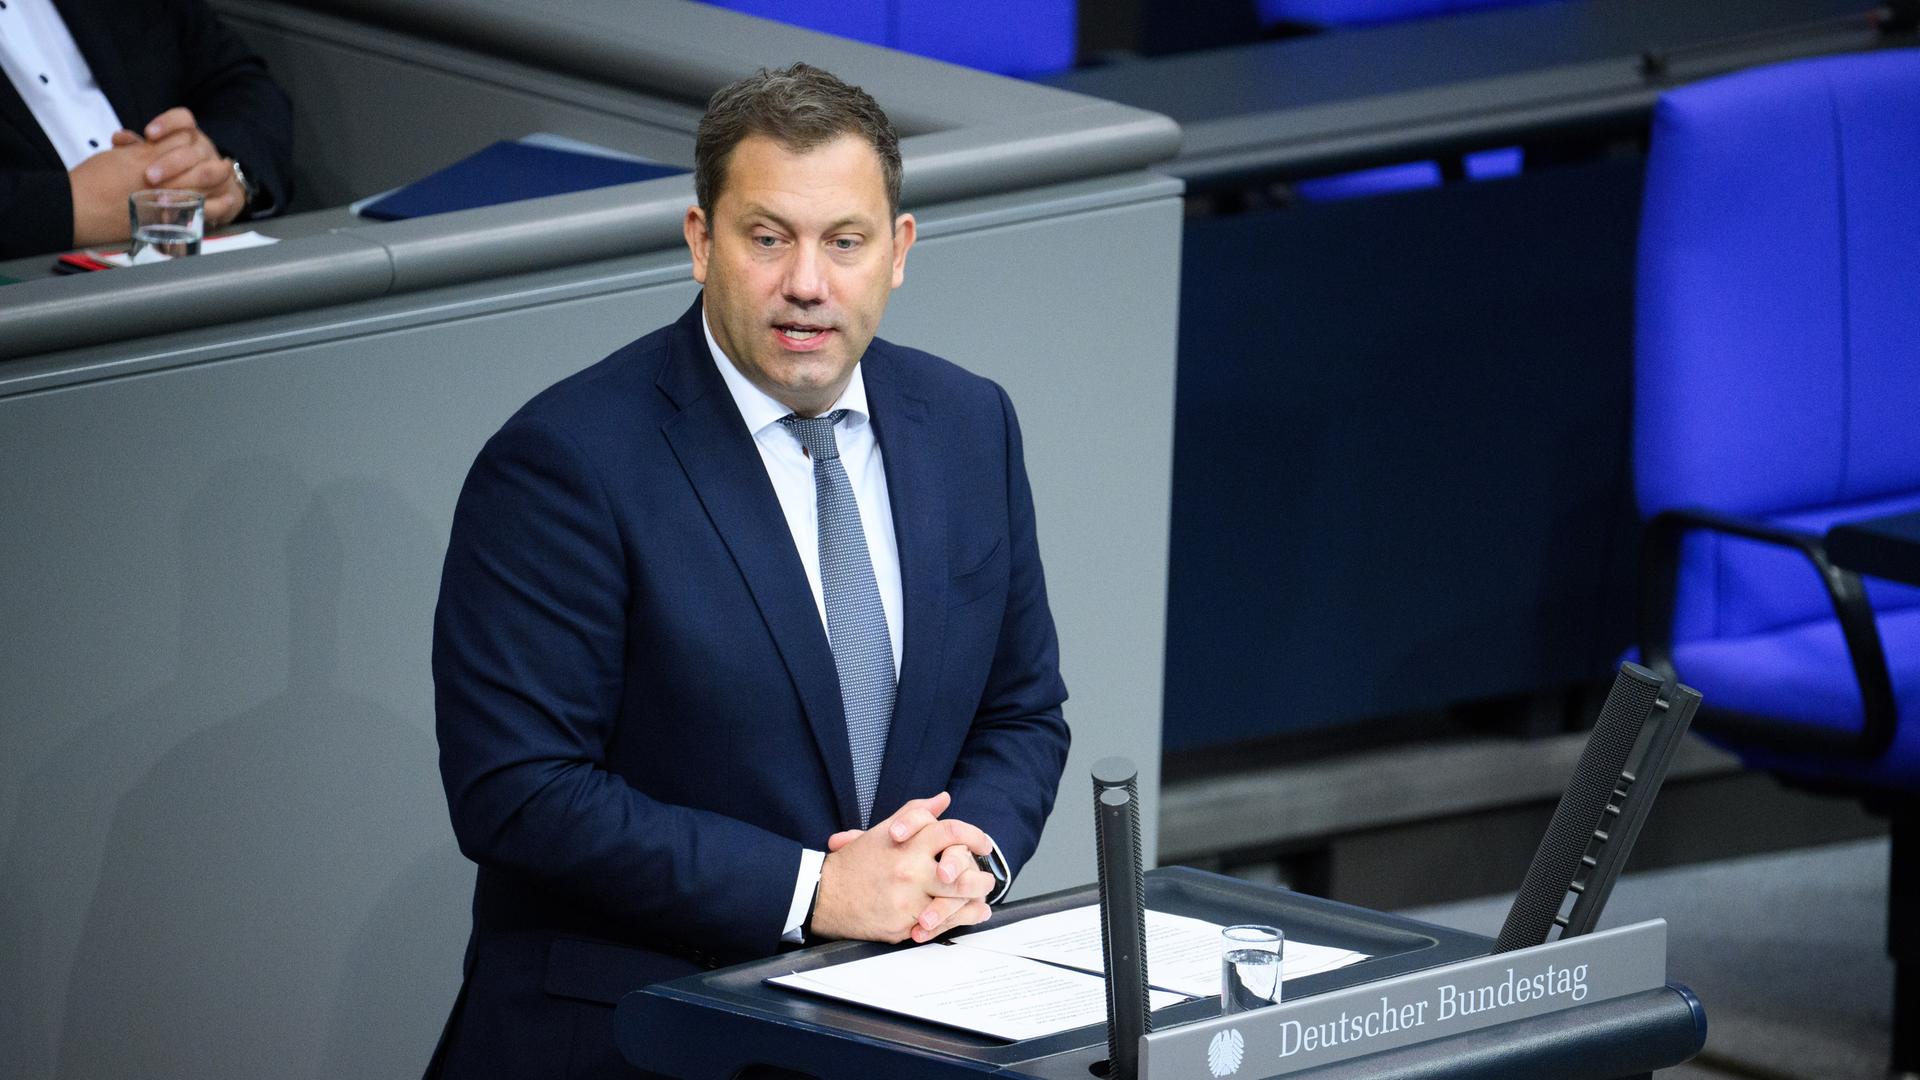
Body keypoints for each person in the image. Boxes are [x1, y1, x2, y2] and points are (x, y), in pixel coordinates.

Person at [428, 63, 1072, 1078]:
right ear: (700, 241)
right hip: (638, 1039)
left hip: (893, 1031)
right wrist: (814, 889)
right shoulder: (567, 461)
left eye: (844, 242)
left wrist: (967, 855)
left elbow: (1021, 710)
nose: (807, 283)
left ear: (897, 252)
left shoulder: (967, 424)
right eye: (768, 237)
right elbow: (519, 791)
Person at [0, 0, 293, 260]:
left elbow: (241, 84)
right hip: (32, 295)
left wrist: (220, 174)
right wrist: (63, 209)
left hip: (198, 260)